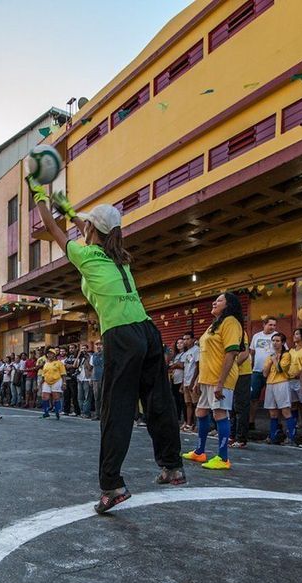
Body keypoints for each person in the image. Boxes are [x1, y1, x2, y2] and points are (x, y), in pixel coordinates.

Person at [33, 189, 184, 511]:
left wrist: (40, 199)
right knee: (158, 400)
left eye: (85, 225)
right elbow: (88, 227)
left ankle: (112, 485)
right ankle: (172, 466)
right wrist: (70, 209)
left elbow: (51, 227)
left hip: (121, 335)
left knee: (116, 411)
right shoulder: (119, 255)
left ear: (91, 231)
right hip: (147, 330)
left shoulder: (86, 256)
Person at [182, 292, 245, 470]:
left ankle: (223, 458)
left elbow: (231, 352)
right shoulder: (213, 325)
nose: (214, 302)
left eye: (219, 300)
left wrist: (220, 382)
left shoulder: (231, 322)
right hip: (207, 379)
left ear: (229, 304)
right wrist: (199, 379)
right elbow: (206, 354)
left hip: (221, 379)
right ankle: (200, 452)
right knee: (201, 413)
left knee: (219, 414)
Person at [262, 332, 296, 444]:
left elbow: (280, 369)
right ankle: (273, 436)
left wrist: (275, 360)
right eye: (273, 341)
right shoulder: (270, 356)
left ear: (283, 343)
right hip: (270, 383)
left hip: (281, 382)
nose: (275, 343)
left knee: (285, 410)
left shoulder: (286, 355)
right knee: (272, 412)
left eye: (277, 341)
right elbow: (265, 373)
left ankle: (291, 437)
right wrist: (270, 361)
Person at [249, 317, 278, 430]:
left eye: (274, 325)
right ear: (264, 324)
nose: (272, 327)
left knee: (274, 399)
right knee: (253, 398)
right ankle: (251, 422)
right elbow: (252, 353)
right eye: (270, 325)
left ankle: (276, 424)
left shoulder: (277, 336)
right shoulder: (256, 336)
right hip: (256, 372)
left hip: (272, 373)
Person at [229, 322, 252, 450]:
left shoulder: (240, 333)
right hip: (232, 374)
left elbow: (244, 353)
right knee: (232, 407)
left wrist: (231, 366)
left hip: (242, 373)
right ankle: (232, 435)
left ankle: (241, 438)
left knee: (241, 406)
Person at [288, 328, 302, 441]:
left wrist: (300, 373)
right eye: (294, 333)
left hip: (301, 380)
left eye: (297, 334)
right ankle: (296, 424)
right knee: (294, 404)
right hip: (290, 380)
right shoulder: (291, 350)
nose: (295, 335)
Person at [38, 347, 65, 419]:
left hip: (56, 381)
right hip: (46, 382)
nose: (49, 355)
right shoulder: (46, 363)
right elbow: (43, 374)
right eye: (48, 354)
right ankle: (46, 413)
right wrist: (41, 383)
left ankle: (57, 412)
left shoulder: (59, 363)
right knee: (44, 397)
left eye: (51, 354)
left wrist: (64, 383)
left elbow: (63, 374)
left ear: (54, 355)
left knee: (56, 397)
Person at [180, 333, 199, 431]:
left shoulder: (196, 350)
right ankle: (189, 423)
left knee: (196, 403)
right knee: (188, 403)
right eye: (184, 339)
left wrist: (193, 381)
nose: (185, 341)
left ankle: (196, 424)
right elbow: (185, 368)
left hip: (193, 381)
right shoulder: (186, 353)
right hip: (186, 381)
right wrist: (183, 383)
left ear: (193, 339)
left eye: (187, 339)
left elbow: (197, 366)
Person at [90, 341, 105, 421]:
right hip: (95, 378)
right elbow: (93, 367)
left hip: (104, 378)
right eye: (97, 345)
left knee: (104, 397)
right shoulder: (94, 355)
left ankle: (104, 415)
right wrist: (91, 379)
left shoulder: (107, 354)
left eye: (100, 345)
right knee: (97, 398)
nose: (98, 346)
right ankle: (97, 414)